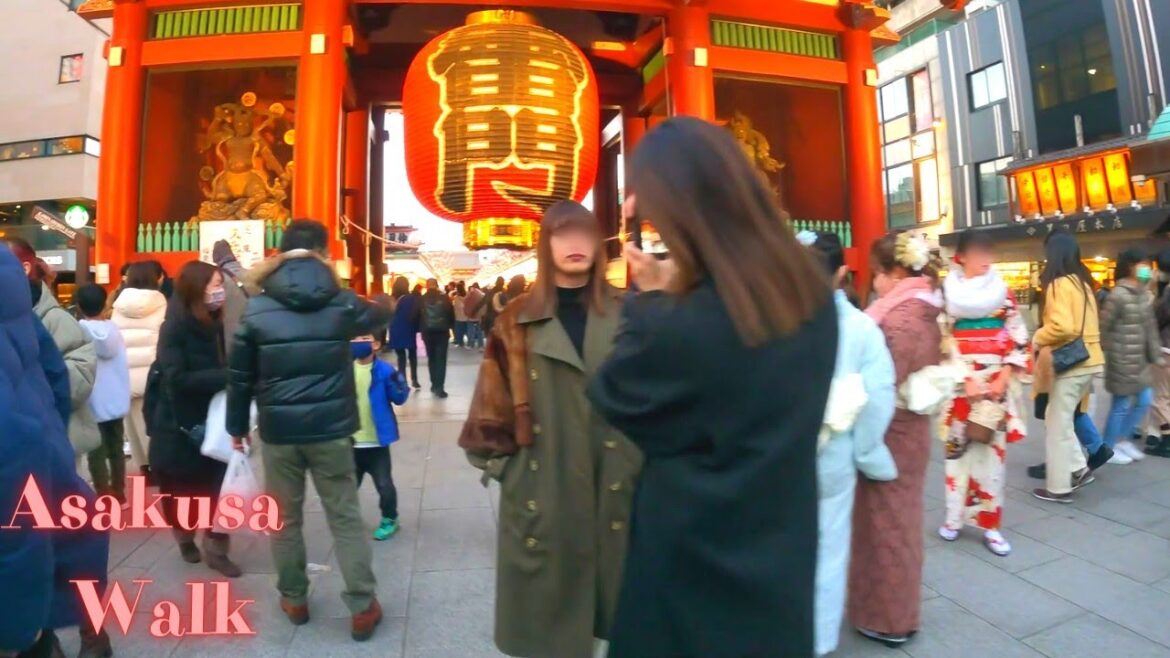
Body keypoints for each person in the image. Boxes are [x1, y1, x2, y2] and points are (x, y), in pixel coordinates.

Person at [586, 117, 836, 658]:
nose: (635, 209)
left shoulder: (687, 324)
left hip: (691, 564)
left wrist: (651, 299)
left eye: (647, 197)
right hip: (779, 551)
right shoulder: (810, 296)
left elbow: (613, 393)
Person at [461, 200, 639, 658]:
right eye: (562, 234)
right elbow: (490, 409)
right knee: (550, 622)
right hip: (544, 484)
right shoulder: (516, 319)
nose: (575, 244)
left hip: (619, 479)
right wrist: (513, 473)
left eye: (584, 233)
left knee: (621, 615)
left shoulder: (632, 314)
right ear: (545, 245)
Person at [226, 219, 392, 642]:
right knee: (345, 516)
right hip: (332, 430)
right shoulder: (340, 301)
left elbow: (240, 376)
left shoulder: (257, 307)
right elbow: (379, 313)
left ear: (280, 254)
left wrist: (236, 426)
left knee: (284, 519)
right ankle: (362, 606)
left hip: (279, 432)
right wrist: (381, 297)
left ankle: (294, 598)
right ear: (323, 252)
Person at [0, 247, 112, 658]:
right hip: (44, 446)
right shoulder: (21, 308)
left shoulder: (53, 316)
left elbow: (70, 371)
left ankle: (88, 633)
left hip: (39, 449)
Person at [802, 231, 896, 657]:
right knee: (829, 549)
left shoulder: (773, 323)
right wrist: (868, 452)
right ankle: (819, 642)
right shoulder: (861, 328)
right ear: (842, 272)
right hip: (835, 454)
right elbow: (877, 398)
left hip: (781, 458)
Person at [849, 231, 942, 648]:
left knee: (886, 526)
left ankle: (889, 618)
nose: (875, 283)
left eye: (877, 274)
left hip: (892, 429)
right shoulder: (926, 307)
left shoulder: (900, 319)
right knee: (899, 522)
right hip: (911, 429)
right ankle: (894, 612)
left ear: (894, 273)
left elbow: (882, 381)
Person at [938, 230, 1030, 557]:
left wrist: (1004, 375)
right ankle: (953, 518)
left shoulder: (1003, 293)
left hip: (994, 387)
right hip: (962, 386)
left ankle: (991, 525)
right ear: (960, 257)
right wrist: (965, 378)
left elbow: (1019, 336)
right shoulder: (946, 295)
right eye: (978, 252)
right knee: (957, 454)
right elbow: (942, 340)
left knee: (992, 456)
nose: (985, 259)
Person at [150, 261, 242, 578]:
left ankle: (217, 550)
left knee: (220, 486)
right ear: (196, 288)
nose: (220, 291)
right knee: (182, 491)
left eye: (221, 285)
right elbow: (175, 378)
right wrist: (225, 377)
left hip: (216, 418)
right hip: (180, 424)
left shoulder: (217, 323)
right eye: (215, 285)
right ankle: (184, 536)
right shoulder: (173, 328)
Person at [4, 238, 99, 461]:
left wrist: (33, 387)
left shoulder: (53, 318)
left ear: (24, 268)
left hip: (53, 440)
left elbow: (82, 369)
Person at [1032, 231, 1104, 503]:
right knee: (1057, 417)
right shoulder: (1083, 283)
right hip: (1090, 358)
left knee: (1057, 424)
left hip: (1071, 362)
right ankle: (1077, 468)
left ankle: (1059, 487)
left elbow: (1063, 327)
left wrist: (1038, 337)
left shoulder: (1059, 284)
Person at [1099, 248, 1161, 464]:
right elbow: (1104, 328)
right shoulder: (1117, 295)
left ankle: (1121, 439)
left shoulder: (1143, 293)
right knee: (1121, 405)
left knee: (1144, 400)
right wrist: (1113, 355)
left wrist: (1155, 355)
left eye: (1148, 264)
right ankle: (1108, 448)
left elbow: (1150, 327)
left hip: (1140, 361)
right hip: (1122, 360)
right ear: (1130, 267)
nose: (1147, 269)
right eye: (1142, 264)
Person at [111, 261, 169, 480]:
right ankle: (158, 466)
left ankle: (144, 467)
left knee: (133, 425)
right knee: (153, 423)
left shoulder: (119, 305)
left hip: (125, 373)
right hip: (152, 374)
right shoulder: (160, 303)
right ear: (155, 278)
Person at [350, 334, 410, 540]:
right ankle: (347, 520)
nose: (358, 342)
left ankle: (389, 519)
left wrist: (398, 383)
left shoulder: (384, 371)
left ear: (376, 344)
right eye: (354, 338)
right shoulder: (345, 370)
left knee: (384, 484)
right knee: (347, 487)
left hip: (376, 442)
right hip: (351, 442)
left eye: (364, 338)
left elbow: (400, 398)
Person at [76, 284, 132, 504]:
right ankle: (119, 492)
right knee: (116, 447)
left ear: (79, 306)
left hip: (92, 399)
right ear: (104, 304)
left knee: (96, 450)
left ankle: (103, 493)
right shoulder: (115, 331)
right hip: (116, 398)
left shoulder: (79, 331)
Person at [420, 278, 455, 398]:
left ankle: (434, 384)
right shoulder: (444, 298)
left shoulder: (422, 299)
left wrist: (420, 327)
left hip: (427, 333)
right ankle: (440, 387)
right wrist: (450, 327)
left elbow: (415, 315)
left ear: (426, 286)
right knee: (441, 359)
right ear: (437, 286)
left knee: (431, 358)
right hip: (442, 333)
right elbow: (451, 314)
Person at [1150, 248, 1170, 457]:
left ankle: (1167, 439)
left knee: (1160, 397)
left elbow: (1157, 319)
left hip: (1165, 350)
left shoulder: (1167, 292)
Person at [389, 276, 421, 389]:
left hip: (395, 329)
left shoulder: (392, 298)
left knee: (401, 357)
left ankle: (403, 382)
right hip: (409, 328)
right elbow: (416, 314)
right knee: (413, 355)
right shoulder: (412, 299)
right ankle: (414, 379)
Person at [464, 282, 485, 350]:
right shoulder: (482, 295)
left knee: (470, 331)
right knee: (480, 332)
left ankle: (470, 345)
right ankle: (480, 346)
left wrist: (467, 313)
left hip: (471, 316)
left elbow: (466, 303)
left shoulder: (470, 294)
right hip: (480, 316)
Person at [452, 281, 469, 348]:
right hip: (466, 316)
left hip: (458, 316)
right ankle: (469, 343)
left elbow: (455, 307)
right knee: (467, 330)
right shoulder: (467, 296)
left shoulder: (456, 297)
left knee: (459, 331)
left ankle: (460, 343)